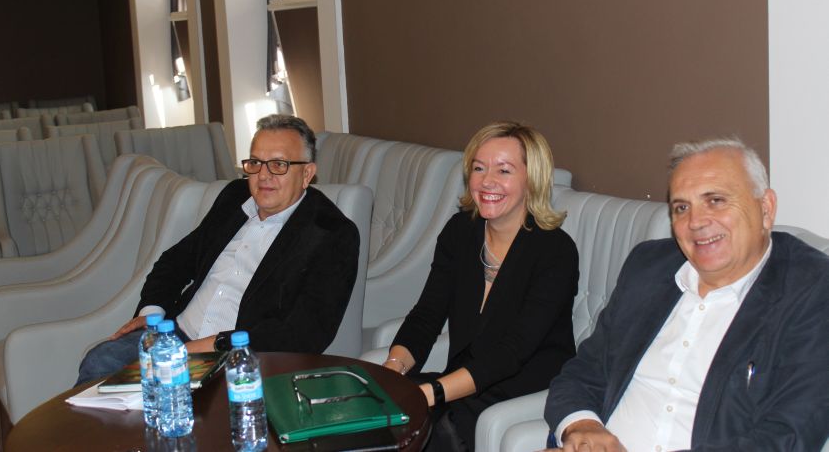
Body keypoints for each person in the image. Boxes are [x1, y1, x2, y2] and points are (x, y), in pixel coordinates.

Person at [543, 137, 829, 451]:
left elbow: (787, 436)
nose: (696, 222)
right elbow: (584, 371)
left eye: (716, 200)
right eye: (681, 207)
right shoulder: (648, 267)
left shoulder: (812, 289)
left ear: (766, 208)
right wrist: (583, 426)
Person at [77, 114, 359, 384]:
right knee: (100, 362)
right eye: (255, 163)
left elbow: (305, 333)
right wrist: (152, 314)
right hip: (175, 335)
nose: (263, 175)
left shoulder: (332, 234)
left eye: (278, 165)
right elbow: (176, 261)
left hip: (240, 356)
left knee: (162, 398)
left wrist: (215, 344)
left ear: (307, 173)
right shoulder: (234, 198)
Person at [383, 121, 579, 451]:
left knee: (436, 427)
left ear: (532, 180)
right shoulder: (460, 231)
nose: (487, 181)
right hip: (465, 380)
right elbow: (426, 316)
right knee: (381, 414)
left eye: (504, 170)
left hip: (522, 386)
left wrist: (431, 392)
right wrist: (393, 370)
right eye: (478, 168)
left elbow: (512, 352)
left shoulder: (555, 250)